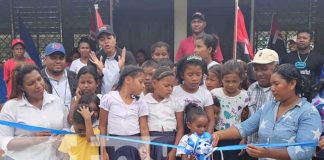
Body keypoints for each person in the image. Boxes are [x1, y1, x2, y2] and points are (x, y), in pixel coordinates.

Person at [212, 64, 322, 160]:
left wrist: (268, 153)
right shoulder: (269, 107)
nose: (272, 88)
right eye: (271, 84)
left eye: (276, 84)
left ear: (292, 84)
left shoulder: (308, 113)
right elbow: (245, 127)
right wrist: (217, 135)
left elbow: (305, 151)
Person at [0, 64, 69, 160]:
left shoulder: (56, 101)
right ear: (22, 87)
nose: (38, 85)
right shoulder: (11, 107)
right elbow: (4, 141)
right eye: (31, 83)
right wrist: (33, 140)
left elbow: (67, 127)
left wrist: (62, 134)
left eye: (39, 79)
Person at [99, 65, 150, 160]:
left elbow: (144, 129)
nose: (143, 86)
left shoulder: (140, 102)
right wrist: (104, 151)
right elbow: (102, 126)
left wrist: (146, 153)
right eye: (140, 82)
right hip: (113, 146)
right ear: (128, 80)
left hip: (134, 146)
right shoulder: (109, 98)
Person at [210, 59, 249, 160]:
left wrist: (244, 139)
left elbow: (246, 120)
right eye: (227, 81)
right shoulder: (214, 94)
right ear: (221, 79)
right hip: (216, 136)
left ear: (241, 79)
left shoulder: (245, 96)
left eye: (234, 81)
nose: (231, 84)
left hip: (235, 138)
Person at [244, 48, 279, 159]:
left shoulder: (281, 92)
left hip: (271, 152)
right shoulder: (251, 88)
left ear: (276, 68)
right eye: (256, 69)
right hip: (251, 147)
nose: (259, 73)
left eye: (264, 69)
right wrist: (243, 138)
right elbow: (246, 116)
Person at [143, 67, 184, 159]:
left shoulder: (175, 101)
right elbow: (143, 127)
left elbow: (180, 127)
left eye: (172, 86)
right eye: (166, 86)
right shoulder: (144, 101)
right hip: (152, 143)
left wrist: (174, 149)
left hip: (171, 142)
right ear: (154, 83)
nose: (170, 89)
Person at [173, 55, 215, 134]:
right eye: (190, 75)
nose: (194, 78)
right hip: (177, 135)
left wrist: (205, 139)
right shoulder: (174, 92)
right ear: (182, 75)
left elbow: (211, 120)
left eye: (198, 74)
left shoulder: (205, 94)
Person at [89, 25, 137, 94]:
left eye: (109, 38)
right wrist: (99, 73)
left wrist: (122, 69)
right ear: (99, 43)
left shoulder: (126, 56)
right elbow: (90, 81)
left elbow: (134, 78)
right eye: (102, 40)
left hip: (123, 98)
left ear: (115, 39)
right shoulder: (96, 58)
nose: (106, 42)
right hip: (102, 99)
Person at [281, 29, 324, 101]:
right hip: (291, 95)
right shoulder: (287, 58)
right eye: (299, 38)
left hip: (312, 96)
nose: (301, 40)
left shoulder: (319, 58)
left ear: (310, 41)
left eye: (304, 38)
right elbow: (280, 75)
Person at [59, 95, 100, 160]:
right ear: (72, 122)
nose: (82, 133)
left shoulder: (97, 132)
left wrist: (87, 119)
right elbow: (64, 157)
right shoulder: (68, 137)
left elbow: (91, 140)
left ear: (90, 124)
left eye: (85, 129)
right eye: (79, 130)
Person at [41, 42, 77, 110]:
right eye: (53, 58)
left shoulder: (74, 77)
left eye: (61, 58)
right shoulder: (39, 78)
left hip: (72, 119)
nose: (58, 61)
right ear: (45, 59)